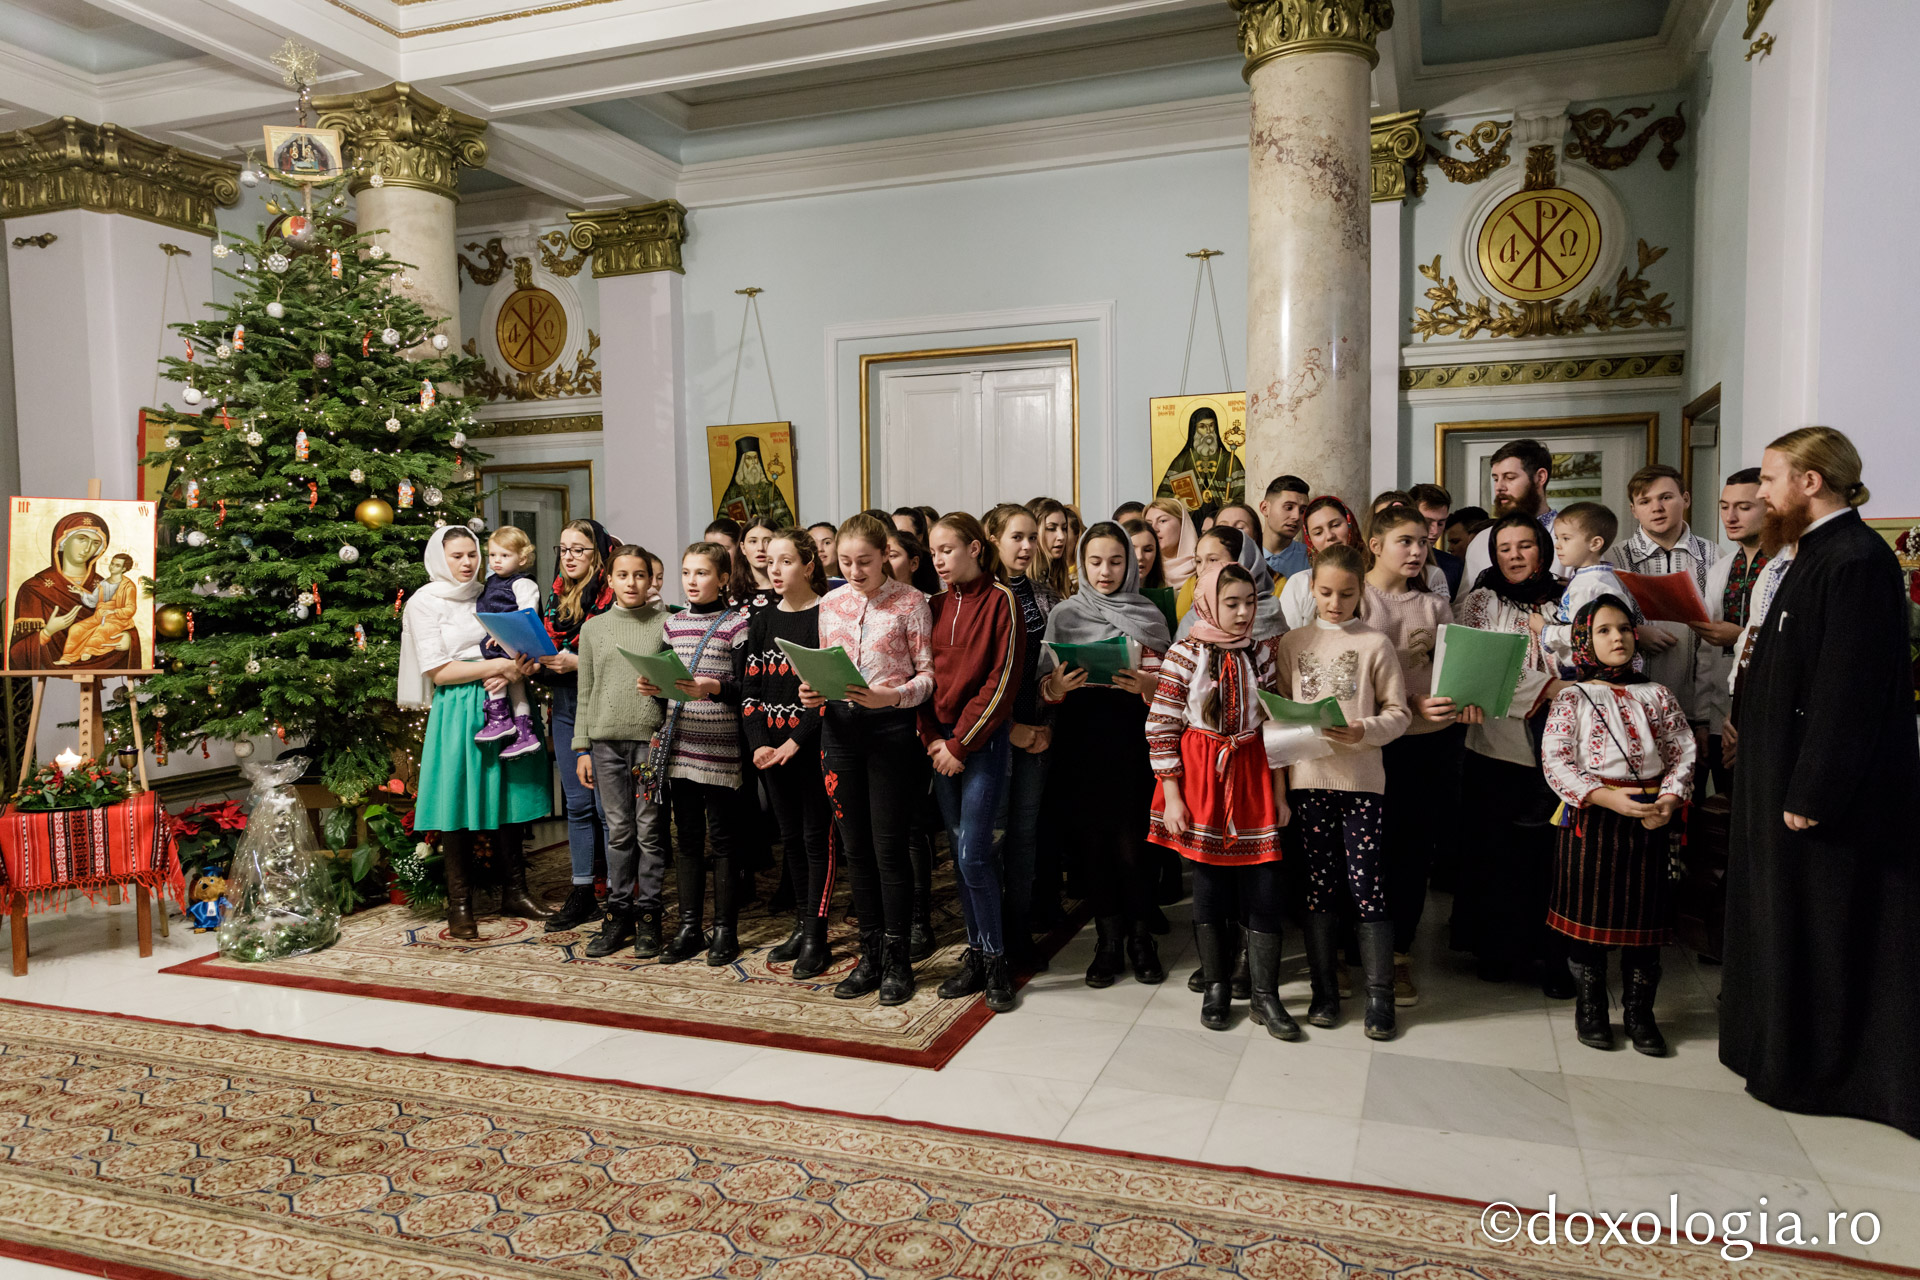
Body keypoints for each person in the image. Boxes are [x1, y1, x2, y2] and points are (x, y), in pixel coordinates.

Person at [1721, 426, 1920, 1137]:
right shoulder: (1812, 553)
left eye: (1771, 480)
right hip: (1778, 776)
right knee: (1782, 921)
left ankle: (1822, 1068)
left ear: (1811, 482)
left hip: (1820, 799)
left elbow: (1849, 692)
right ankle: (1775, 1051)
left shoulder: (1857, 559)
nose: (1762, 495)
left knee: (1826, 930)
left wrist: (1812, 791)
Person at [1148, 562, 1300, 1039]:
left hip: (1253, 773)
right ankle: (1216, 986)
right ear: (1208, 602)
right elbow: (1161, 728)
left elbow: (1276, 727)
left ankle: (1264, 994)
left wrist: (1279, 794)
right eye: (1230, 603)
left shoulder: (1262, 653)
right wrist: (1173, 798)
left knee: (1266, 883)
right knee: (1210, 883)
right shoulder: (1183, 654)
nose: (1241, 613)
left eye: (1249, 602)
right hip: (1200, 778)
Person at [1541, 595, 1695, 1055]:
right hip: (1593, 819)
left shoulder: (1658, 694)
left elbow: (1681, 748)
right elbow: (1556, 758)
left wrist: (1669, 796)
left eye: (1625, 629)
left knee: (1644, 926)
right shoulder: (1573, 695)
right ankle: (1590, 1009)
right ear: (1585, 640)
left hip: (1650, 817)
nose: (1618, 638)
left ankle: (1639, 1012)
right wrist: (1604, 796)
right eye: (1604, 631)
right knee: (1588, 923)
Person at [1275, 544, 1411, 1039]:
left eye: (1347, 594)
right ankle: (1324, 991)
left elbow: (1400, 713)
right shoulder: (1293, 642)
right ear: (1311, 587)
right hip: (1309, 781)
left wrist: (1365, 729)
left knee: (1367, 883)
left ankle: (1380, 997)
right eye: (1326, 592)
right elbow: (1280, 715)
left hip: (1361, 783)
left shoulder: (1375, 643)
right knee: (1318, 885)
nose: (1335, 602)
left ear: (1361, 592)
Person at [800, 513, 935, 1006]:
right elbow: (821, 666)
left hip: (891, 732)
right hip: (839, 730)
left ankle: (899, 958)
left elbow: (927, 677)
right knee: (855, 849)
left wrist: (892, 697)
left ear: (885, 557)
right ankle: (870, 953)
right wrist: (810, 691)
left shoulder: (911, 602)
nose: (854, 571)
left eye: (865, 562)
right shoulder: (830, 603)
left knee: (889, 848)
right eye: (845, 562)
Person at [1437, 512, 1572, 995]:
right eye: (1505, 548)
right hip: (1497, 742)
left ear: (1544, 548)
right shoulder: (1481, 600)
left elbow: (1588, 654)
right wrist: (1552, 685)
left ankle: (1553, 954)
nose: (1515, 556)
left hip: (1561, 745)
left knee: (1552, 857)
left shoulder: (1570, 597)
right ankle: (1496, 948)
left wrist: (1564, 682)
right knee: (1496, 853)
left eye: (1526, 546)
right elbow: (1476, 663)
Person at [399, 526, 552, 939]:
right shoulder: (423, 602)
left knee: (507, 795)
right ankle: (460, 904)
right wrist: (500, 668)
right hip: (459, 708)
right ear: (439, 559)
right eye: (457, 556)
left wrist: (521, 664)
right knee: (457, 800)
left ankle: (515, 892)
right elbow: (439, 670)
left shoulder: (491, 591)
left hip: (504, 696)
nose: (467, 563)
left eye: (472, 555)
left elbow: (520, 640)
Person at [1040, 522, 1173, 988]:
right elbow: (1045, 688)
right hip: (1081, 740)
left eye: (1116, 561)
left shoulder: (1149, 612)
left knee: (1135, 847)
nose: (1105, 571)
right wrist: (1055, 687)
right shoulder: (1064, 614)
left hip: (1134, 741)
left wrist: (1151, 686)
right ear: (1081, 563)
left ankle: (1142, 940)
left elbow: (1171, 685)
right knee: (1092, 847)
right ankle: (1108, 941)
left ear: (1131, 564)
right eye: (1095, 561)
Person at [920, 513, 1025, 1012]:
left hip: (979, 742)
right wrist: (931, 739)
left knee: (974, 854)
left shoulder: (1001, 600)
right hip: (939, 745)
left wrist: (959, 744)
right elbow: (920, 677)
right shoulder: (933, 604)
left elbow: (1001, 682)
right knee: (960, 850)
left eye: (947, 549)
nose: (938, 560)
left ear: (977, 548)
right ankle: (978, 953)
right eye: (934, 552)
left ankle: (998, 958)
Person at [638, 543, 752, 966]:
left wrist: (714, 686)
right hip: (680, 744)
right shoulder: (672, 624)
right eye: (686, 572)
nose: (692, 580)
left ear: (723, 578)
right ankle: (690, 927)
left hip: (720, 747)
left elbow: (746, 689)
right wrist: (654, 685)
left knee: (722, 841)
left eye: (702, 573)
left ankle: (725, 930)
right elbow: (670, 682)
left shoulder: (737, 625)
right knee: (685, 840)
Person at [1362, 505, 1454, 1006]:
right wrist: (1402, 701)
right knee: (1364, 850)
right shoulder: (1357, 601)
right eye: (1405, 541)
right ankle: (1355, 949)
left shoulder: (1435, 606)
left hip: (1425, 743)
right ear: (1375, 545)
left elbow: (1451, 671)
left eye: (1423, 541)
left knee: (1412, 851)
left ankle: (1398, 955)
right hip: (1371, 743)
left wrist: (1459, 698)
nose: (1418, 550)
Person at [743, 528, 834, 979]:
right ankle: (802, 923)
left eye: (786, 562)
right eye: (771, 562)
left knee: (817, 839)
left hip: (809, 747)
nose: (775, 570)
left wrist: (795, 742)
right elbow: (751, 688)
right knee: (791, 839)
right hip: (770, 750)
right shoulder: (763, 619)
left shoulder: (828, 613)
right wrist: (760, 741)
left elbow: (827, 693)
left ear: (809, 565)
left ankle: (818, 935)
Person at [571, 545, 669, 958]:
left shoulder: (668, 625)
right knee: (619, 831)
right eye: (623, 575)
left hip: (649, 743)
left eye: (640, 575)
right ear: (609, 580)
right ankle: (618, 913)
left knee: (649, 830)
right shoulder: (594, 629)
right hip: (605, 744)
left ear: (652, 580)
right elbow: (586, 689)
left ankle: (649, 915)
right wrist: (582, 746)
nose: (632, 583)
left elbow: (674, 686)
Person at [535, 518, 623, 933]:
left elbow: (619, 655)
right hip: (565, 705)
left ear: (598, 554)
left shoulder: (610, 595)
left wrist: (577, 660)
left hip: (602, 706)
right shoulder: (554, 598)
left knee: (607, 810)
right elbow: (548, 652)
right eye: (564, 549)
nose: (569, 557)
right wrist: (531, 660)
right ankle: (583, 890)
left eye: (579, 550)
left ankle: (619, 896)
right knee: (577, 805)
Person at [986, 502, 1058, 966]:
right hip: (991, 731)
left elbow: (1045, 668)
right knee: (988, 836)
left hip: (1037, 727)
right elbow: (974, 678)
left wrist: (1047, 712)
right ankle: (989, 936)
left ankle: (1018, 930)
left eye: (1032, 537)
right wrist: (1010, 729)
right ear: (992, 538)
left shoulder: (1045, 595)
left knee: (1025, 834)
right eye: (1017, 536)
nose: (1028, 546)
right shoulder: (976, 594)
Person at [1606, 464, 1716, 743]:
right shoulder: (1612, 559)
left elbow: (1717, 644)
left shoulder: (1715, 555)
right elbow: (1590, 625)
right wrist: (1635, 633)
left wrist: (1705, 718)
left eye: (1666, 497)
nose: (1657, 507)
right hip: (1631, 710)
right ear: (1634, 509)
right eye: (1645, 501)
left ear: (1686, 499)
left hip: (1695, 710)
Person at [1690, 467, 1767, 795]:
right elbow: (1707, 653)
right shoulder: (1722, 567)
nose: (1730, 516)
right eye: (1724, 506)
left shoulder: (1787, 564)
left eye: (1744, 507)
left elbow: (1798, 640)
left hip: (1766, 713)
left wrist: (1738, 636)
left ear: (1770, 505)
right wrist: (1703, 719)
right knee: (1725, 811)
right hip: (1722, 712)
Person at [8, 510, 140, 671]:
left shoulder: (108, 583)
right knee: (78, 629)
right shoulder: (35, 588)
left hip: (105, 647)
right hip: (58, 657)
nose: (88, 548)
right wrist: (48, 631)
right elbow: (19, 654)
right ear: (63, 541)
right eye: (81, 539)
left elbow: (127, 618)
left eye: (95, 543)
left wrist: (128, 639)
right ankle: (69, 656)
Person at [1536, 502, 1639, 676]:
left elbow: (1587, 632)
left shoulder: (1592, 586)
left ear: (1595, 543)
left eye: (1566, 538)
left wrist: (1545, 630)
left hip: (1587, 670)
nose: (1558, 545)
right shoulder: (1588, 580)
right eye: (1557, 538)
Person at [1454, 439, 1561, 600]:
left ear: (1540, 477)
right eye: (1496, 478)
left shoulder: (1574, 536)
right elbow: (1463, 605)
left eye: (1509, 477)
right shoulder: (1482, 539)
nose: (1499, 487)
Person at [472, 527, 544, 759]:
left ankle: (500, 718)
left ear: (522, 558)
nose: (497, 561)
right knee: (516, 687)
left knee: (498, 677)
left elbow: (527, 614)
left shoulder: (523, 584)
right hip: (502, 639)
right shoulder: (491, 581)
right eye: (493, 555)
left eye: (505, 555)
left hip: (514, 640)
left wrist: (504, 632)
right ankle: (524, 732)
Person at [1278, 496, 1361, 629]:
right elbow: (1287, 639)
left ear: (1349, 522)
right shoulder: (1301, 583)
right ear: (1309, 540)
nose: (1329, 536)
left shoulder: (1374, 577)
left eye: (1335, 525)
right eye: (1318, 532)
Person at [54, 552, 139, 666]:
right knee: (76, 628)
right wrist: (81, 592)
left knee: (101, 630)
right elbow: (93, 601)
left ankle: (89, 650)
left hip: (118, 620)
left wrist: (114, 611)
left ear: (124, 569)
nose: (112, 567)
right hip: (98, 617)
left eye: (117, 565)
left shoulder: (128, 586)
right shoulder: (103, 583)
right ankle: (68, 657)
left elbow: (131, 608)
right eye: (112, 564)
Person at [1156, 405, 1246, 510]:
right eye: (1202, 426)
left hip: (1221, 517)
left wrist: (1234, 502)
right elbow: (1161, 495)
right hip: (1192, 518)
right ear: (1194, 429)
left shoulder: (1228, 460)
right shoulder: (1183, 460)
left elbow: (1245, 493)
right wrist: (1179, 501)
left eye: (1211, 425)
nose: (1208, 431)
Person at [717, 436, 795, 528]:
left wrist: (769, 525)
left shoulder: (770, 489)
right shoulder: (733, 490)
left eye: (755, 458)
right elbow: (721, 519)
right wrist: (735, 524)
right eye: (749, 459)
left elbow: (786, 519)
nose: (753, 462)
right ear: (742, 462)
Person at [1408, 483, 1464, 596]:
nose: (1435, 531)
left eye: (1441, 523)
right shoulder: (1390, 561)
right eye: (1427, 522)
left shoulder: (1453, 566)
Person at [1259, 474, 1312, 582]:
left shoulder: (1310, 558)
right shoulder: (1245, 553)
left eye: (1302, 511)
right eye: (1289, 507)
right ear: (1265, 508)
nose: (1296, 516)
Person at [1144, 498, 1199, 589]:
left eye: (1162, 521)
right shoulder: (1145, 571)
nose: (1154, 528)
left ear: (1182, 524)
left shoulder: (1203, 565)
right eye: (1149, 524)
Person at [885, 527, 942, 597]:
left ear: (914, 563)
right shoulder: (871, 601)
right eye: (882, 556)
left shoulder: (928, 603)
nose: (884, 561)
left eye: (891, 555)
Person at [740, 517, 779, 606]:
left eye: (767, 541)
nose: (760, 548)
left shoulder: (790, 591)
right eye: (753, 541)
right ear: (743, 548)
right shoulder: (731, 596)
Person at [1123, 517, 1166, 590]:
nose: (1140, 557)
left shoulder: (1171, 597)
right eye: (1132, 549)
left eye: (1147, 550)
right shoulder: (1100, 598)